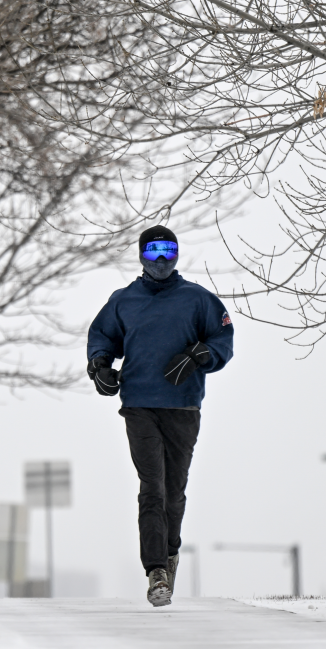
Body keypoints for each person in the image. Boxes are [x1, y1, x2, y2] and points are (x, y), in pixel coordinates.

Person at [86, 226, 234, 607]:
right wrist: (100, 367)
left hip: (183, 407)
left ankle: (169, 554)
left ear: (178, 254)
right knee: (152, 485)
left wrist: (199, 355)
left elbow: (223, 339)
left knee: (174, 491)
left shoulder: (198, 300)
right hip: (139, 405)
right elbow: (102, 337)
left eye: (168, 250)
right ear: (141, 256)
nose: (162, 259)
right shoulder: (124, 301)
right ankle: (155, 572)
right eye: (154, 251)